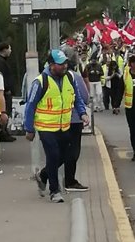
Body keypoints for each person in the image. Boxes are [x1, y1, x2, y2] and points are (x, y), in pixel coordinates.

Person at [24, 50, 89, 203]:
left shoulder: (70, 78)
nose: (64, 66)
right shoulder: (40, 82)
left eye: (65, 63)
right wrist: (29, 129)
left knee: (65, 157)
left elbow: (77, 98)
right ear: (51, 65)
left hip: (64, 127)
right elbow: (30, 106)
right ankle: (55, 191)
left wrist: (82, 113)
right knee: (53, 156)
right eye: (60, 64)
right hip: (46, 128)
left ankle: (44, 175)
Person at [63, 47, 90, 192]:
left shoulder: (50, 76)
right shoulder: (74, 77)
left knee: (61, 151)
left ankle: (47, 175)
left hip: (57, 120)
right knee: (73, 151)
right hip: (74, 119)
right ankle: (69, 180)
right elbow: (85, 97)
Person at [0, 42, 16, 142]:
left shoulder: (1, 61)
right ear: (4, 50)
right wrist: (6, 89)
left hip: (6, 91)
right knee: (4, 112)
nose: (10, 51)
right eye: (9, 49)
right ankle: (2, 133)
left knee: (7, 111)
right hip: (4, 92)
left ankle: (4, 131)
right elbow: (1, 78)